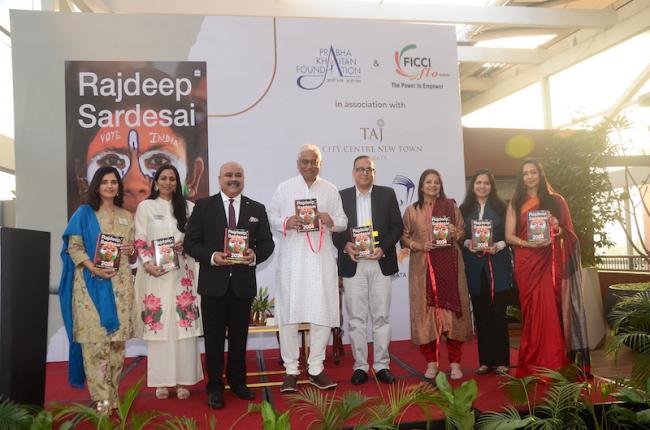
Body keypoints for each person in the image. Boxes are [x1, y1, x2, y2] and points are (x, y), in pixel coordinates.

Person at [184, 162, 274, 409]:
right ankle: (214, 386)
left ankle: (238, 382)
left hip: (242, 286)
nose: (233, 179)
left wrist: (253, 255)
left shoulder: (256, 208)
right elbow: (191, 243)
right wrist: (213, 257)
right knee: (213, 339)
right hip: (213, 285)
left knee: (239, 338)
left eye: (238, 175)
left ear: (243, 178)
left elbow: (267, 244)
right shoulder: (204, 207)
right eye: (228, 175)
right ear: (219, 179)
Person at [268, 144, 348, 392]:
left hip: (321, 261)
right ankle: (291, 369)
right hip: (292, 260)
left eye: (314, 162)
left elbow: (343, 222)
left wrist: (330, 220)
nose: (309, 166)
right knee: (289, 314)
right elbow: (269, 215)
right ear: (297, 163)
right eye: (305, 161)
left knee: (322, 313)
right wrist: (286, 221)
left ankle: (316, 368)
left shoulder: (330, 189)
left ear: (320, 164)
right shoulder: (285, 188)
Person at [59, 166, 135, 414]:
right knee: (95, 345)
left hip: (121, 287)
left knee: (116, 346)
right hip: (92, 286)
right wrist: (93, 268)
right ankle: (101, 400)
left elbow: (132, 252)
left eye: (114, 182)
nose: (110, 186)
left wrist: (130, 251)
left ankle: (113, 396)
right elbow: (74, 248)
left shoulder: (126, 215)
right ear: (97, 186)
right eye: (105, 182)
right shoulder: (84, 213)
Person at [504, 158, 590, 377]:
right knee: (531, 313)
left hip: (549, 262)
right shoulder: (515, 202)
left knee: (550, 310)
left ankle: (554, 363)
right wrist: (527, 243)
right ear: (521, 177)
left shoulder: (555, 201)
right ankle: (532, 362)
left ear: (540, 175)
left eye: (533, 172)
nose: (530, 176)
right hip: (526, 262)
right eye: (525, 173)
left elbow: (568, 233)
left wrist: (556, 227)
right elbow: (509, 236)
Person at [133, 164, 203, 400]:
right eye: (163, 178)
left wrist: (187, 245)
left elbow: (196, 240)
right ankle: (162, 382)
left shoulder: (189, 208)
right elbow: (140, 240)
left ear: (177, 183)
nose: (167, 182)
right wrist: (146, 263)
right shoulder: (146, 207)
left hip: (183, 275)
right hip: (156, 275)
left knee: (183, 327)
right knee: (160, 327)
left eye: (172, 179)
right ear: (155, 182)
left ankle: (184, 381)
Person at [332, 155, 403, 385]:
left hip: (380, 262)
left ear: (374, 173)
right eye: (360, 169)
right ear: (353, 172)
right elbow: (335, 230)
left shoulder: (387, 194)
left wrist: (383, 249)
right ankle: (361, 366)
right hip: (354, 264)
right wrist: (345, 245)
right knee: (356, 319)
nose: (364, 173)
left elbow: (397, 227)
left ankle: (382, 365)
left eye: (369, 169)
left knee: (381, 316)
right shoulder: (340, 196)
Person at [400, 169, 472, 380]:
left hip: (450, 266)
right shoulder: (412, 210)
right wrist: (419, 245)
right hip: (422, 268)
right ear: (421, 186)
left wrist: (453, 231)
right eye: (428, 182)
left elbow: (461, 232)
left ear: (440, 186)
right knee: (426, 317)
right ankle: (432, 363)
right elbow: (404, 238)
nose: (432, 185)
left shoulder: (450, 206)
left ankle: (455, 363)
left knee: (452, 317)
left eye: (436, 182)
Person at [459, 168, 513, 376]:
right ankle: (486, 361)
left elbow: (510, 235)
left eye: (486, 183)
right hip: (474, 267)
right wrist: (467, 242)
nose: (482, 186)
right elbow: (457, 235)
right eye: (478, 182)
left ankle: (502, 361)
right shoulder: (464, 210)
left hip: (497, 266)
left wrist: (498, 245)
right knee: (481, 315)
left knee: (498, 313)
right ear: (472, 186)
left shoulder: (502, 208)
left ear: (492, 186)